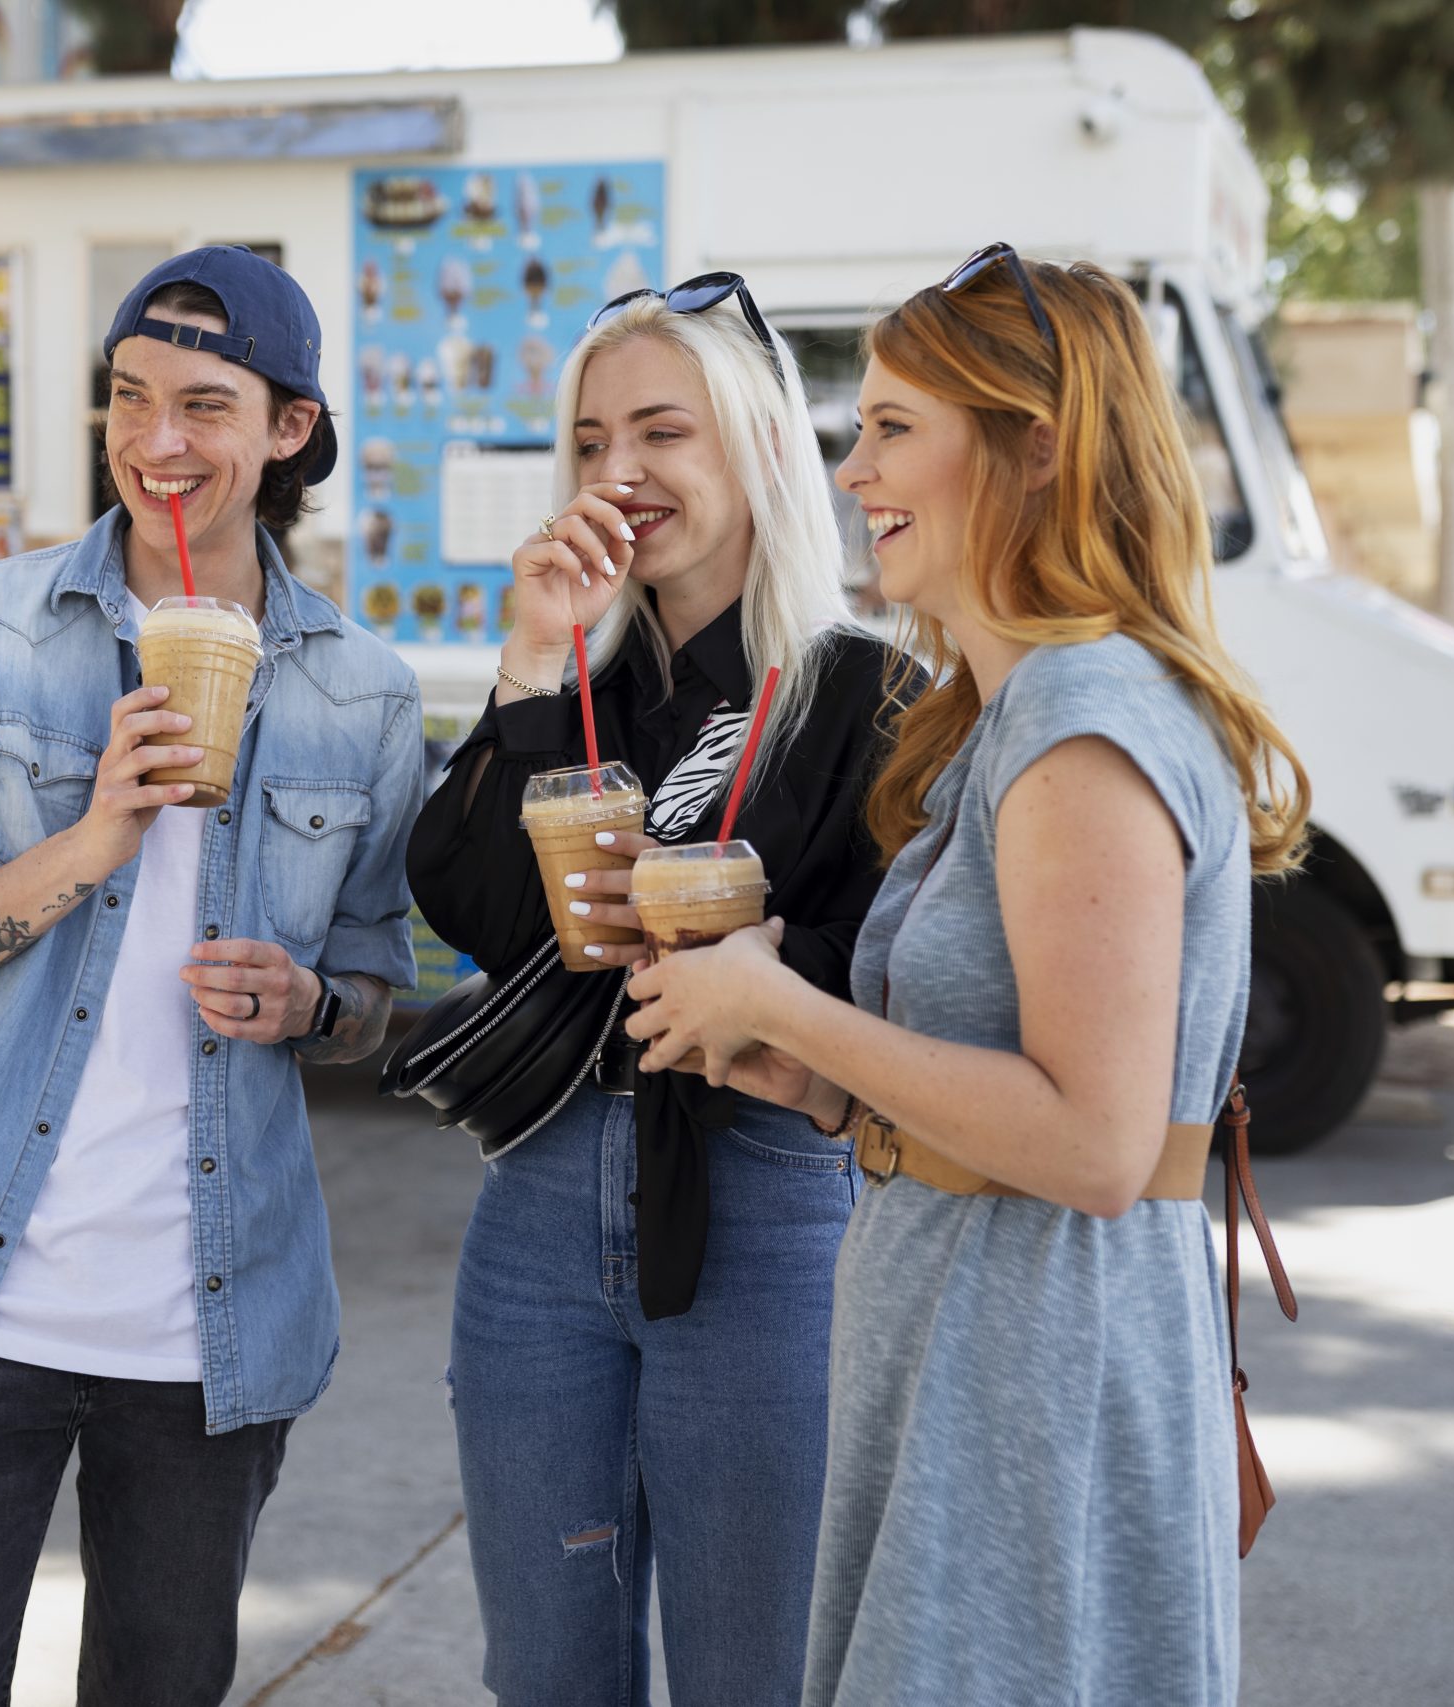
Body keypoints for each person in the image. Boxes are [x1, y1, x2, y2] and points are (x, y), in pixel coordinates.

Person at [625, 247, 1312, 1706]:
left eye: (892, 427)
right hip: (972, 1358)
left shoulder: (1080, 723)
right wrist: (812, 1077)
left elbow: (1096, 1144)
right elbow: (1011, 1095)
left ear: (1034, 447)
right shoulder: (1004, 716)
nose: (850, 461)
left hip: (1032, 1376)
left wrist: (785, 1003)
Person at [0, 246, 426, 1707]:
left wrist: (309, 1006)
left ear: (288, 430)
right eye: (130, 397)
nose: (159, 442)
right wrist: (91, 840)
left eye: (206, 406)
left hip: (208, 1323)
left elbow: (376, 995)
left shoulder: (367, 692)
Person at [405, 274, 902, 1706]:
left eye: (661, 433)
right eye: (585, 442)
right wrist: (530, 656)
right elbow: (481, 912)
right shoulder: (578, 678)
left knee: (757, 1674)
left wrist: (757, 975)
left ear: (753, 447)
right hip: (541, 1211)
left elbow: (891, 969)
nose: (616, 473)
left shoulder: (869, 692)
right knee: (548, 1673)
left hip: (762, 1210)